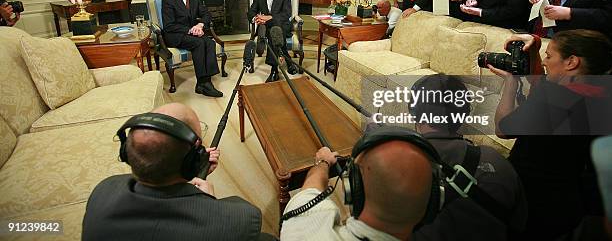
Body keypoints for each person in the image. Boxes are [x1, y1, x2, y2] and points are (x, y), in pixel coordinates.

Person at [488, 30, 612, 240]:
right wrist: (534, 47)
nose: (544, 63)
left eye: (549, 56)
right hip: (573, 207)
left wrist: (510, 83)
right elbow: (542, 84)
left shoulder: (554, 99)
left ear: (571, 62)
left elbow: (502, 129)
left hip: (532, 204)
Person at [82, 102, 268, 240]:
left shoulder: (103, 191)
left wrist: (190, 177)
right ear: (192, 162)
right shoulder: (237, 220)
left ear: (126, 152)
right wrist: (205, 201)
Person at [410, 74, 527, 240]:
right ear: (463, 113)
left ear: (414, 112)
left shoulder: (397, 166)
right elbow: (519, 223)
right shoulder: (498, 161)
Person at [280, 126, 435, 240]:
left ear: (352, 188)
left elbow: (311, 188)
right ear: (433, 203)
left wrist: (323, 162)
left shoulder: (303, 231)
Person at [162, 0, 223, 97]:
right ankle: (203, 83)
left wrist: (199, 25)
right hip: (175, 35)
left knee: (210, 42)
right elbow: (169, 25)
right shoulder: (169, 1)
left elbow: (206, 14)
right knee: (199, 43)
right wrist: (191, 30)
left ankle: (205, 82)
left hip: (191, 32)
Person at [247, 0, 295, 82]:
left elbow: (286, 14)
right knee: (272, 31)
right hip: (265, 26)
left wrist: (269, 18)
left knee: (275, 30)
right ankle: (288, 61)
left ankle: (274, 70)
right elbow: (251, 11)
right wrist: (256, 19)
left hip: (282, 25)